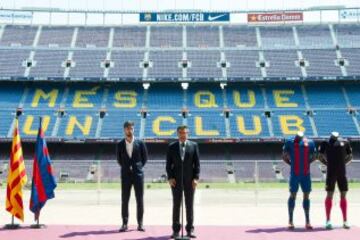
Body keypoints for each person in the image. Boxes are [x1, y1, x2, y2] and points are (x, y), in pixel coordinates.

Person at [166, 125, 200, 239]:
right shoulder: (171, 146)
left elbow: (197, 164)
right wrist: (170, 178)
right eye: (180, 132)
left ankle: (190, 230)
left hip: (190, 181)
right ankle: (176, 231)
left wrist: (196, 178)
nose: (182, 134)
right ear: (177, 134)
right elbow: (168, 165)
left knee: (189, 205)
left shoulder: (194, 145)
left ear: (188, 133)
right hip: (175, 181)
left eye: (185, 132)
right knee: (176, 205)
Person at [116, 121, 148, 232]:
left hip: (138, 175)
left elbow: (144, 159)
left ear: (133, 129)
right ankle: (124, 224)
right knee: (125, 200)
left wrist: (137, 167)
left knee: (140, 200)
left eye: (131, 128)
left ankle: (140, 224)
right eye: (128, 128)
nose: (130, 130)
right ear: (124, 129)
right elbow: (119, 159)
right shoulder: (120, 144)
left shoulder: (140, 143)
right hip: (125, 176)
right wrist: (127, 167)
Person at [282, 131, 316, 230]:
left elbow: (314, 156)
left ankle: (308, 221)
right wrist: (291, 164)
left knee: (306, 196)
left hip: (306, 175)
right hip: (295, 175)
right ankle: (290, 221)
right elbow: (284, 156)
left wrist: (307, 163)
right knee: (293, 195)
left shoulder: (310, 142)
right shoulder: (289, 141)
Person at [318, 132, 352, 229]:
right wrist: (327, 163)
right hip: (331, 173)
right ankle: (328, 220)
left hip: (342, 173)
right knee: (330, 195)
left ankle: (345, 221)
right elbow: (319, 156)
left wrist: (342, 163)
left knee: (343, 194)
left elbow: (350, 156)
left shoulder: (345, 142)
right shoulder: (325, 143)